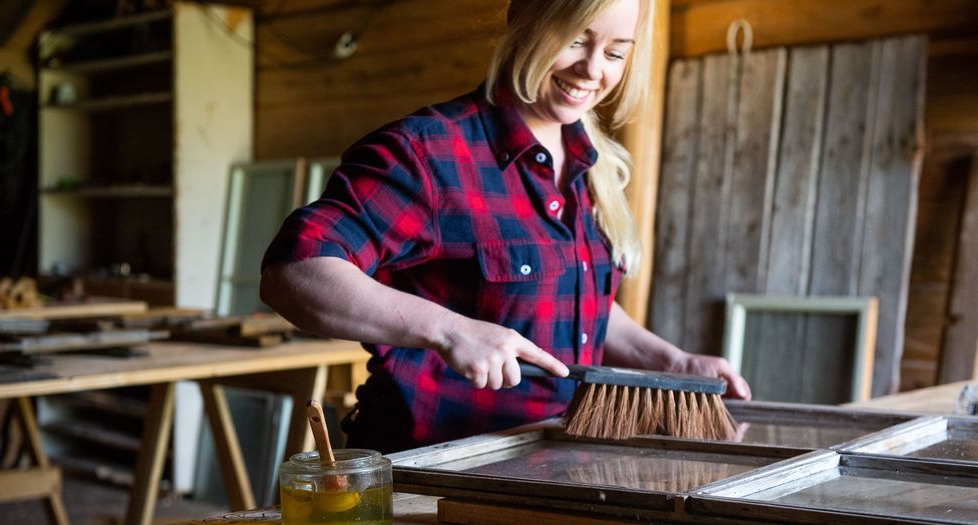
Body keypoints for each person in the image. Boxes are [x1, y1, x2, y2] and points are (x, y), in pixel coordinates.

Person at [261, 0, 750, 454]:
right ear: (524, 22)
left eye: (615, 53)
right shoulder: (429, 154)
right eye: (575, 41)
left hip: (549, 463)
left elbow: (575, 305)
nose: (593, 69)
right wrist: (450, 331)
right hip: (426, 473)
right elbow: (294, 272)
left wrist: (672, 363)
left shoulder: (591, 164)